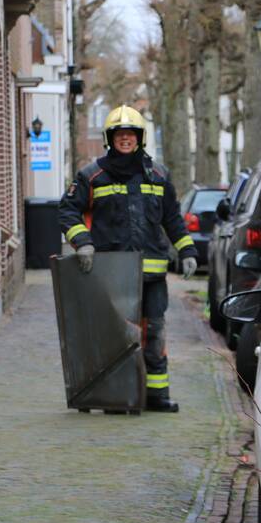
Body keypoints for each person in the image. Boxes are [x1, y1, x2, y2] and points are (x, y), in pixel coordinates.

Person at [58, 105, 197, 413]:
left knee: (155, 332)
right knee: (118, 335)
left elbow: (172, 218)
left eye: (130, 135)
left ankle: (155, 395)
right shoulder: (92, 176)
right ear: (110, 138)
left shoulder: (158, 175)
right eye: (120, 135)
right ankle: (115, 394)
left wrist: (187, 250)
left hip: (152, 277)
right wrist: (83, 243)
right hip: (112, 274)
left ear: (140, 138)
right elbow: (68, 211)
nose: (125, 140)